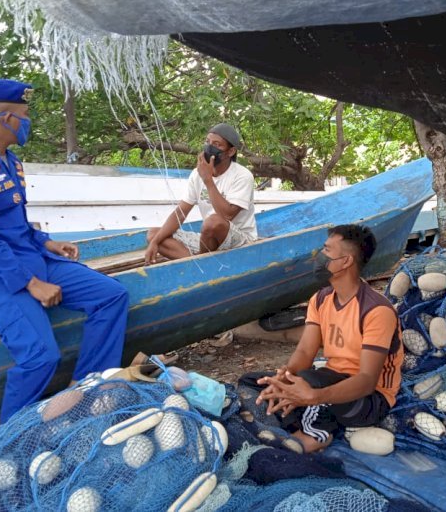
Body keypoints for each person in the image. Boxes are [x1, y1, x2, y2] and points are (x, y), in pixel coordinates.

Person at [0, 79, 129, 423]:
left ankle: (85, 389)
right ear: (4, 118)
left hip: (30, 258)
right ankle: (10, 436)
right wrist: (31, 283)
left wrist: (46, 243)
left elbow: (13, 225)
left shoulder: (8, 160)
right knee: (41, 356)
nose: (29, 122)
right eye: (25, 115)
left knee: (110, 296)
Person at [242, 224, 404, 453]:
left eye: (326, 250)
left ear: (346, 261)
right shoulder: (320, 299)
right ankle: (290, 416)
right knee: (254, 381)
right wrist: (285, 377)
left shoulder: (376, 310)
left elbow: (367, 381)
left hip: (370, 399)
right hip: (330, 378)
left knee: (311, 385)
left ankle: (312, 435)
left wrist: (314, 396)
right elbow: (305, 352)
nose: (318, 256)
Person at [144, 123, 256, 263]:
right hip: (208, 239)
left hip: (240, 239)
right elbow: (180, 213)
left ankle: (202, 263)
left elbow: (226, 215)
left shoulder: (242, 176)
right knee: (154, 234)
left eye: (217, 144)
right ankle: (198, 262)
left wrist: (208, 180)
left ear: (231, 151)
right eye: (207, 142)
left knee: (213, 221)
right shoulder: (197, 175)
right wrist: (154, 242)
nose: (210, 147)